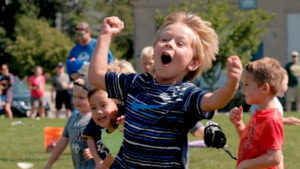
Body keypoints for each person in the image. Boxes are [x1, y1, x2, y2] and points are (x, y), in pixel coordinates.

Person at [88, 13, 242, 168]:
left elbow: (214, 101)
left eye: (180, 44)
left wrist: (231, 85)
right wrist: (105, 36)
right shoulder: (136, 83)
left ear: (193, 64)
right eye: (164, 39)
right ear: (154, 50)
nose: (169, 44)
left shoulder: (186, 94)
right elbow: (95, 76)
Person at [229, 57, 284, 169]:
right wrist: (238, 124)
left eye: (247, 84)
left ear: (264, 88)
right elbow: (250, 143)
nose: (242, 90)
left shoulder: (270, 119)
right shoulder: (259, 113)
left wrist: (245, 165)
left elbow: (275, 158)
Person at [82, 59, 135, 169]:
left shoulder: (131, 111)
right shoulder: (101, 111)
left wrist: (103, 165)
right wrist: (98, 161)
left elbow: (118, 145)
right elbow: (89, 136)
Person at [44, 78, 95, 169]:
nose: (76, 101)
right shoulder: (72, 119)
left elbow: (107, 143)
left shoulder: (96, 119)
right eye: (74, 96)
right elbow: (62, 142)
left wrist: (95, 152)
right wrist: (49, 164)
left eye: (81, 98)